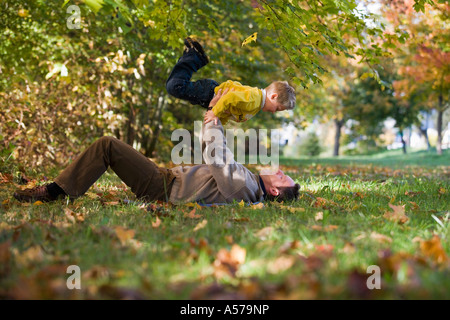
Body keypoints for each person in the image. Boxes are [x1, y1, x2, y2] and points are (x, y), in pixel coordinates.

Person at [13, 90, 300, 205]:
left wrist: (213, 116)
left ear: (274, 190)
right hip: (164, 180)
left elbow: (218, 157)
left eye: (284, 178)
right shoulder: (249, 185)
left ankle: (54, 192)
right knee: (108, 146)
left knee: (107, 146)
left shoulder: (246, 188)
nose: (282, 171)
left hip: (161, 187)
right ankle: (60, 189)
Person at [166, 37, 296, 125]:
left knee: (174, 87)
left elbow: (229, 109)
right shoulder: (254, 99)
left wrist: (218, 122)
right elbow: (230, 97)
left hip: (209, 96)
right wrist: (214, 113)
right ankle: (194, 57)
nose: (274, 112)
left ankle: (194, 58)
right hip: (209, 93)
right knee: (174, 87)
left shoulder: (256, 105)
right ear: (273, 96)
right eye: (278, 108)